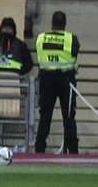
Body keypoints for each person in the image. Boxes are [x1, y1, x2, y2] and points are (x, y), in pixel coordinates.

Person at [34, 11, 79, 154]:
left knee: (45, 117)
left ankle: (39, 149)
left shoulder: (41, 38)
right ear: (64, 24)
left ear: (52, 23)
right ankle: (73, 150)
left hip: (46, 80)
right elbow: (75, 53)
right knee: (69, 118)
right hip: (66, 81)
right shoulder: (71, 39)